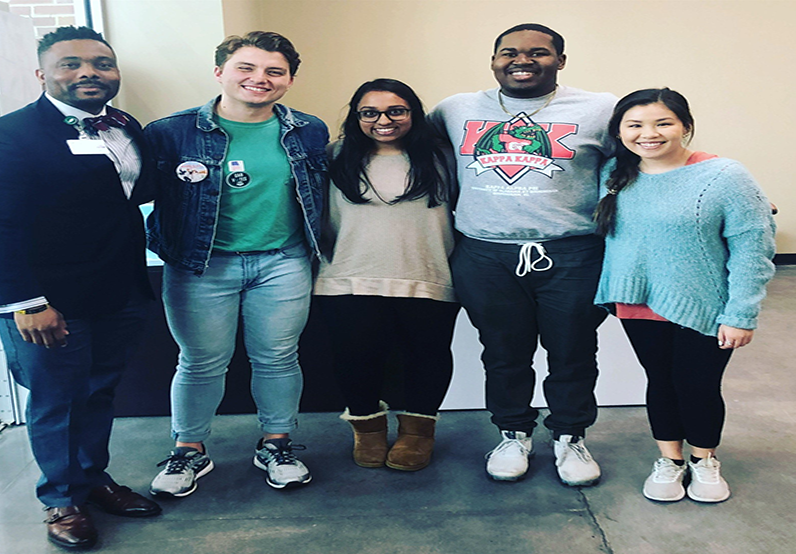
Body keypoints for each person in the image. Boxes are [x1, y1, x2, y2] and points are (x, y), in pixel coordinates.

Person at [0, 26, 161, 550]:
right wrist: (25, 302)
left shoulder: (125, 127)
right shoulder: (1, 138)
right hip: (47, 299)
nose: (89, 72)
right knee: (56, 400)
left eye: (101, 63)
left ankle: (92, 478)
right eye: (71, 63)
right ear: (42, 74)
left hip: (118, 290)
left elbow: (124, 200)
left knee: (99, 391)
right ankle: (61, 499)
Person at [429, 23, 616, 486]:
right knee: (503, 353)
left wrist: (712, 180)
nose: (522, 60)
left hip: (572, 253)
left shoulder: (600, 108)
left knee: (573, 352)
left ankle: (570, 436)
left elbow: (646, 150)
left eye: (539, 52)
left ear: (561, 61)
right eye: (509, 52)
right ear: (494, 60)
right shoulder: (455, 109)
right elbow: (401, 142)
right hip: (485, 253)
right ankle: (513, 433)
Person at [145, 32, 328, 494]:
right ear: (219, 72)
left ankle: (277, 444)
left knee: (278, 358)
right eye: (246, 67)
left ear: (289, 80)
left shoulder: (309, 130)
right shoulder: (170, 132)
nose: (259, 78)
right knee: (201, 362)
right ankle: (189, 451)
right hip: (200, 265)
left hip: (282, 262)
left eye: (274, 71)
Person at [593, 88, 776, 503]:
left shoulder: (724, 175)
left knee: (698, 385)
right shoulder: (612, 173)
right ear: (619, 132)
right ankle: (670, 460)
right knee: (660, 381)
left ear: (685, 126)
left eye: (663, 123)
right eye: (635, 125)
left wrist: (741, 313)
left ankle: (704, 460)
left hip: (705, 304)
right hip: (636, 300)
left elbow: (753, 248)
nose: (648, 134)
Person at [314, 79, 459, 472]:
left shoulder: (443, 156)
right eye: (370, 113)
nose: (383, 120)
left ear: (413, 113)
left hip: (427, 274)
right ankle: (368, 430)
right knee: (354, 358)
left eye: (396, 111)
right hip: (347, 276)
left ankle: (417, 434)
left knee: (427, 357)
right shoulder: (333, 155)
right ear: (355, 116)